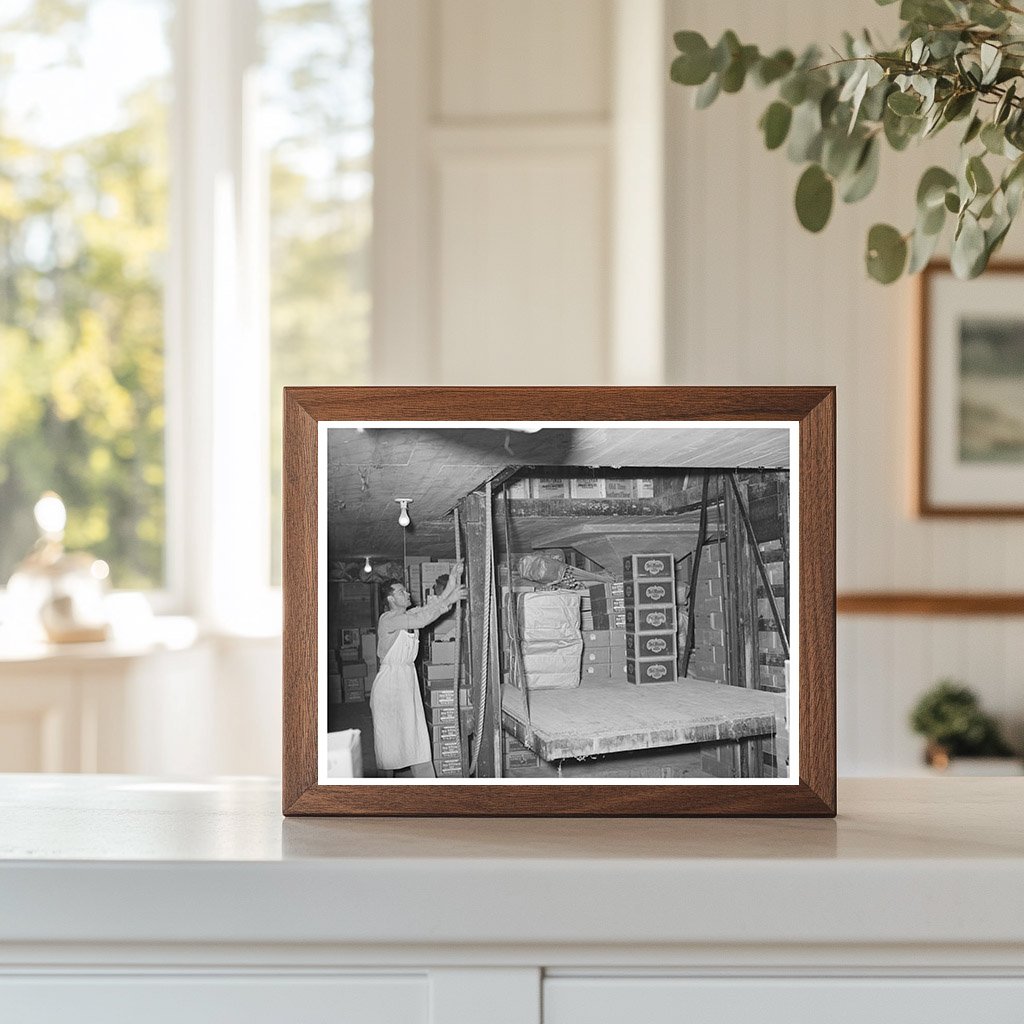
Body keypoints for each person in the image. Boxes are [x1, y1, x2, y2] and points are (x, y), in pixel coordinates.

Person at [370, 562, 466, 778]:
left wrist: (452, 579)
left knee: (417, 739)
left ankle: (427, 785)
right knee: (389, 743)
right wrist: (449, 599)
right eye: (401, 591)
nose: (407, 593)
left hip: (407, 681)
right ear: (391, 599)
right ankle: (382, 789)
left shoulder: (411, 614)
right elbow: (422, 619)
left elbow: (433, 608)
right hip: (389, 685)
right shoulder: (388, 619)